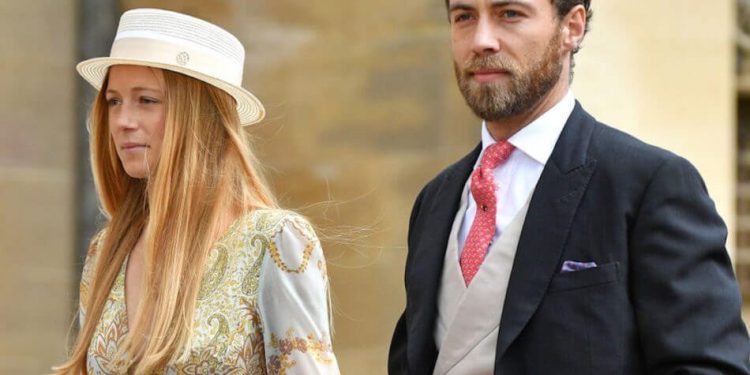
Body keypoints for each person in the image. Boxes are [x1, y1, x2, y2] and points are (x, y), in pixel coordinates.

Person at [389, 0, 750, 374]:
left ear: (572, 27)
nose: (482, 40)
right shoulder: (434, 201)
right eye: (464, 17)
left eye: (509, 14)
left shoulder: (650, 185)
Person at [53, 8, 339, 374]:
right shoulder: (105, 251)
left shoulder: (275, 242)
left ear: (200, 115)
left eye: (147, 100)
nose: (123, 121)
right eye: (114, 101)